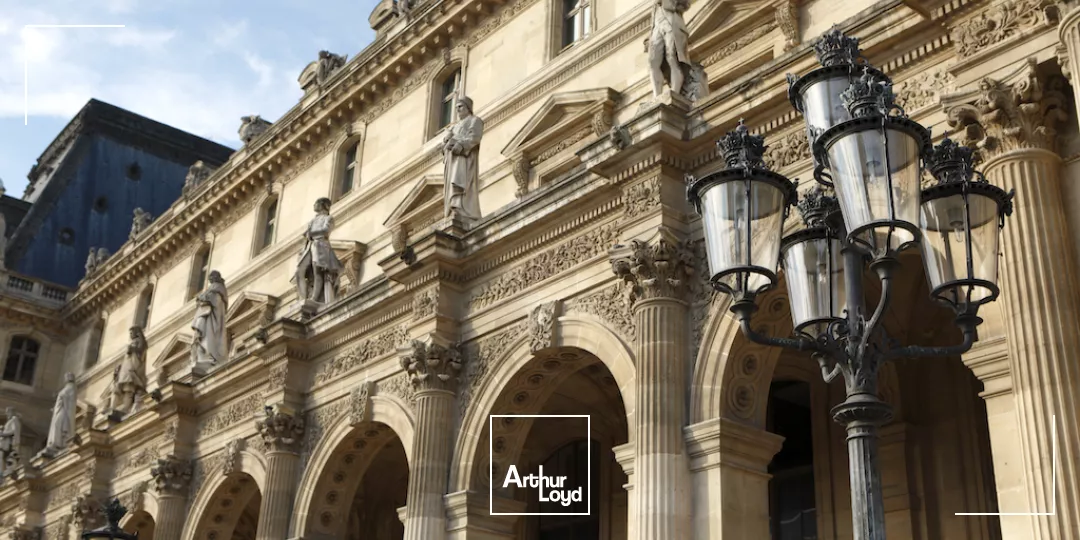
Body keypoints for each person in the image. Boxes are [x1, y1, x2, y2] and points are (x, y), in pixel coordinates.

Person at [440, 96, 484, 221]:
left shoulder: (475, 120)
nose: (457, 110)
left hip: (464, 159)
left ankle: (463, 209)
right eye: (456, 107)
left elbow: (474, 138)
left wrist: (461, 145)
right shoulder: (454, 127)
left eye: (460, 106)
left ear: (468, 107)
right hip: (452, 160)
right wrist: (446, 141)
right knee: (452, 184)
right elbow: (443, 147)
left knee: (462, 183)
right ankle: (453, 207)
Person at [295, 198, 344, 305]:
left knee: (318, 271)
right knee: (299, 271)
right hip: (310, 246)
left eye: (316, 203)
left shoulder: (328, 218)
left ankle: (314, 298)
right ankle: (303, 297)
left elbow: (326, 231)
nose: (314, 205)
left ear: (323, 205)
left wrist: (311, 233)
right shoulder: (312, 220)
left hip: (321, 246)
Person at [647, 0, 690, 97]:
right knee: (652, 61)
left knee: (672, 57)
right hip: (657, 27)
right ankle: (656, 95)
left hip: (672, 24)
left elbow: (686, 4)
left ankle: (675, 92)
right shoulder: (655, 6)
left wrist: (669, 3)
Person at [191, 271, 229, 370]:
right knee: (205, 337)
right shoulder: (216, 289)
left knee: (208, 337)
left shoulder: (218, 288)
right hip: (209, 318)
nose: (210, 280)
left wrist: (201, 298)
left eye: (211, 278)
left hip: (212, 319)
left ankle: (209, 356)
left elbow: (212, 299)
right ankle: (205, 356)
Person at [43, 373, 77, 456]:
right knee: (56, 425)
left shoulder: (72, 387)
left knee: (58, 424)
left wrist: (62, 397)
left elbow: (70, 400)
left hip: (64, 410)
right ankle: (56, 443)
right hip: (60, 409)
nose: (65, 378)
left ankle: (60, 443)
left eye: (67, 377)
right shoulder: (67, 388)